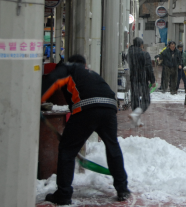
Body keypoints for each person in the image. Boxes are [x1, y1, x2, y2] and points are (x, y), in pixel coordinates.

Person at [41, 55, 130, 205]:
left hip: (87, 108)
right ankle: (122, 188)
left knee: (67, 150)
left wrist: (36, 99)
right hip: (109, 108)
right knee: (112, 145)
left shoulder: (68, 69)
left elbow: (52, 81)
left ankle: (63, 194)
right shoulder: (91, 73)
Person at [127, 37, 156, 127]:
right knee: (146, 99)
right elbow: (149, 68)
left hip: (133, 78)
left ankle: (137, 120)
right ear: (141, 45)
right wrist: (152, 80)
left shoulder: (129, 53)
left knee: (135, 98)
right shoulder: (144, 54)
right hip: (142, 79)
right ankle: (136, 114)